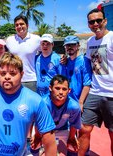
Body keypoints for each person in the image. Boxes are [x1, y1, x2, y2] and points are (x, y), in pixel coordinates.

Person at [78, 8, 113, 155]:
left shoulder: (111, 37)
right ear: (88, 24)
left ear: (105, 21)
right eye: (92, 22)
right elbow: (86, 64)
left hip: (111, 94)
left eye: (99, 20)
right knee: (84, 129)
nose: (96, 24)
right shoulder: (90, 41)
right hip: (95, 92)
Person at [42, 75, 81, 155]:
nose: (61, 92)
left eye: (64, 89)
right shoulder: (43, 103)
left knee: (73, 146)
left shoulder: (74, 106)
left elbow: (74, 124)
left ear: (69, 90)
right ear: (50, 88)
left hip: (64, 128)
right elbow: (38, 124)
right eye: (57, 88)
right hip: (45, 130)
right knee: (35, 145)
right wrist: (39, 137)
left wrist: (71, 138)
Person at [6, 14, 41, 92]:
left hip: (30, 80)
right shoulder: (9, 40)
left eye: (22, 24)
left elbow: (46, 53)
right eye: (16, 25)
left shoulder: (36, 39)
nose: (19, 26)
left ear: (27, 25)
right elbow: (2, 55)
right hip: (13, 78)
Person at [62, 35, 92, 110]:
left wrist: (80, 102)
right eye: (67, 45)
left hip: (80, 102)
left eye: (72, 44)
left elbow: (87, 84)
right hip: (68, 102)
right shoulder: (66, 61)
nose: (69, 47)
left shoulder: (84, 61)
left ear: (78, 45)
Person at [35, 34, 63, 98]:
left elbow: (61, 78)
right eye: (43, 44)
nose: (45, 46)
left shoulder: (57, 59)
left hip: (52, 94)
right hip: (39, 93)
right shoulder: (36, 58)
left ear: (52, 45)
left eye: (48, 44)